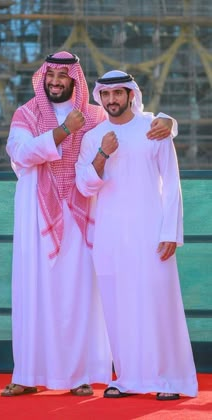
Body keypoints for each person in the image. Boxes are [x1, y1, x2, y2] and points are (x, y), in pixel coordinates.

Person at [1, 52, 177, 397]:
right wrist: (65, 130)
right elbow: (19, 153)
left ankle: (80, 374)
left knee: (81, 293)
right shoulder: (27, 114)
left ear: (74, 80)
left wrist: (170, 122)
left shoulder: (97, 114)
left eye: (63, 77)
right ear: (43, 79)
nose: (56, 82)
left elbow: (133, 123)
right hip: (37, 209)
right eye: (50, 76)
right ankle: (26, 373)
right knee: (33, 290)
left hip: (83, 210)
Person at [75, 70, 198, 400]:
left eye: (119, 94)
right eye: (106, 95)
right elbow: (84, 185)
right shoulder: (94, 137)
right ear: (100, 97)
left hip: (151, 231)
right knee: (117, 307)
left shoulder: (154, 127)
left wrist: (171, 231)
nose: (112, 100)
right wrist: (103, 153)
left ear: (131, 94)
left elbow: (171, 182)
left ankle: (169, 380)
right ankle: (127, 378)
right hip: (110, 235)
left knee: (158, 304)